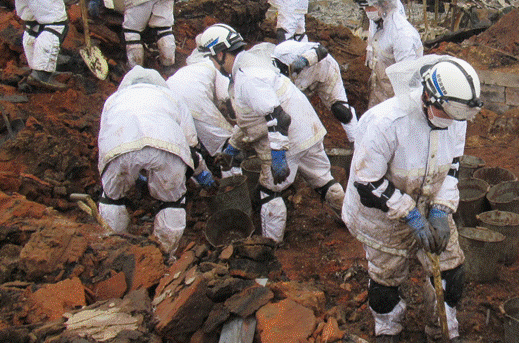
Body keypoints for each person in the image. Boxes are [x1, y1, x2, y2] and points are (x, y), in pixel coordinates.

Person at [341, 55, 483, 343]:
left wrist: (441, 210)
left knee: (452, 273)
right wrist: (410, 214)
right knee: (386, 281)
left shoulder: (455, 117)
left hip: (429, 201)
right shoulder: (385, 122)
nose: (455, 120)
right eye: (449, 111)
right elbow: (367, 181)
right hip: (382, 214)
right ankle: (388, 332)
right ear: (429, 96)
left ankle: (442, 334)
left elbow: (452, 166)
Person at [196, 24, 344, 243]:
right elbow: (253, 116)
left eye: (211, 58)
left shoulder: (247, 78)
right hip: (308, 127)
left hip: (289, 135)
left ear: (220, 54)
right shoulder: (251, 62)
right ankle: (351, 219)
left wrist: (278, 156)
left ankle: (270, 246)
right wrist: (233, 146)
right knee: (323, 180)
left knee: (271, 192)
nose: (213, 64)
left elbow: (278, 118)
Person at [98, 66, 215, 261]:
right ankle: (163, 256)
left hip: (119, 147)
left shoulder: (113, 100)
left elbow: (104, 136)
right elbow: (191, 145)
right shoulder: (172, 98)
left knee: (112, 199)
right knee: (173, 202)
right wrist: (203, 174)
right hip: (166, 146)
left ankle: (113, 250)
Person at [347, 0, 422, 108]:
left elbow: (408, 80)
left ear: (384, 4)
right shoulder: (380, 25)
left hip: (396, 102)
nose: (367, 11)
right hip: (380, 95)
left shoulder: (401, 35)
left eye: (370, 7)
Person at [268, 38, 359, 143]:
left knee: (342, 111)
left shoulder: (284, 50)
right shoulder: (274, 75)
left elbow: (322, 50)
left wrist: (305, 60)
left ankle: (357, 144)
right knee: (291, 114)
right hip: (303, 84)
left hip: (325, 70)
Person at [166, 51, 235, 164]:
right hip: (193, 99)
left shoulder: (192, 68)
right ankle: (230, 168)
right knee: (223, 137)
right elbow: (225, 96)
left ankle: (199, 163)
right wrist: (234, 119)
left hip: (169, 98)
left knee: (186, 141)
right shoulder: (215, 69)